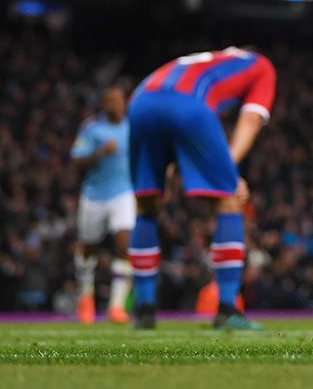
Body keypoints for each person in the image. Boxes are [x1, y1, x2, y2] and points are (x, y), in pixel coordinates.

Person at [126, 47, 276, 330]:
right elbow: (251, 119)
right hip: (188, 104)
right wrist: (228, 172)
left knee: (146, 204)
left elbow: (164, 108)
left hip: (140, 100)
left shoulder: (204, 59)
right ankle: (229, 309)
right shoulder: (261, 65)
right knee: (228, 200)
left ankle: (144, 311)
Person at [70, 86, 134, 324]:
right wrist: (100, 153)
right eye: (110, 100)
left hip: (123, 193)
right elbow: (76, 161)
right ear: (103, 104)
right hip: (94, 195)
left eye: (119, 100)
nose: (116, 105)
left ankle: (116, 306)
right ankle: (85, 297)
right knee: (88, 248)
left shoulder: (132, 127)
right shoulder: (92, 128)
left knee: (124, 243)